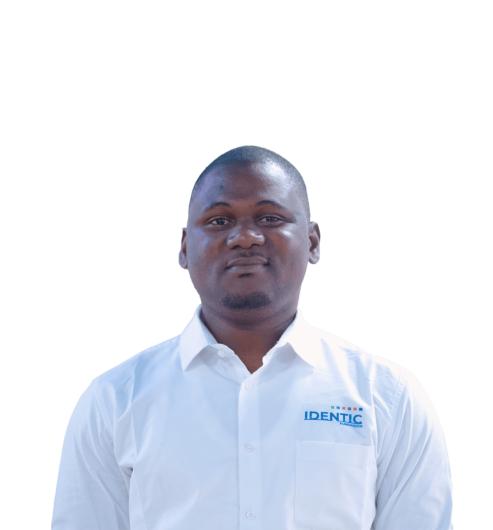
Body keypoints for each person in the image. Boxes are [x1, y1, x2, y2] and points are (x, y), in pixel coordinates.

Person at [51, 145, 453, 529]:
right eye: (219, 221)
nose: (245, 237)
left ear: (313, 242)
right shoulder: (114, 400)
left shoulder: (388, 396)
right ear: (184, 249)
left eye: (270, 218)